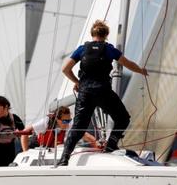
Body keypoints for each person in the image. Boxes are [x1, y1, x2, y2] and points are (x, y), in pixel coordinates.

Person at [57, 19, 148, 166]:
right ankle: (111, 146)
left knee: (78, 127)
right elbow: (128, 64)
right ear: (106, 35)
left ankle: (64, 159)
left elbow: (65, 69)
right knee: (123, 118)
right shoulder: (109, 49)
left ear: (92, 34)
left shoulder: (82, 49)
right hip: (103, 91)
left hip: (85, 93)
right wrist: (141, 71)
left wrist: (77, 82)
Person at [23, 106, 97, 149]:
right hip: (35, 145)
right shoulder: (45, 122)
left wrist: (96, 144)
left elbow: (85, 135)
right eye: (65, 121)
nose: (67, 124)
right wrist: (25, 151)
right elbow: (25, 132)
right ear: (57, 119)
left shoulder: (69, 124)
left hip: (51, 150)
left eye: (69, 120)